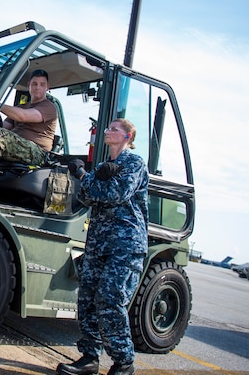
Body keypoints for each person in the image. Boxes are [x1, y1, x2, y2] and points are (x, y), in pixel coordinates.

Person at [57, 118, 149, 375]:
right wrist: (92, 180)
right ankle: (89, 359)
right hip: (99, 243)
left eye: (114, 129)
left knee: (110, 300)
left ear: (127, 137)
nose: (108, 131)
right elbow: (86, 197)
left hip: (125, 244)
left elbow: (115, 194)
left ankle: (123, 364)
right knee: (87, 301)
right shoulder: (102, 166)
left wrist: (84, 176)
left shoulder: (134, 163)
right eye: (108, 128)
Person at [0, 69, 57, 179]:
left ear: (47, 87)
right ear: (29, 85)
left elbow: (23, 116)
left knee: (0, 136)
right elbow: (3, 126)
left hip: (37, 153)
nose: (38, 87)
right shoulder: (20, 107)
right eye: (35, 84)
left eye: (42, 84)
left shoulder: (49, 107)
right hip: (17, 147)